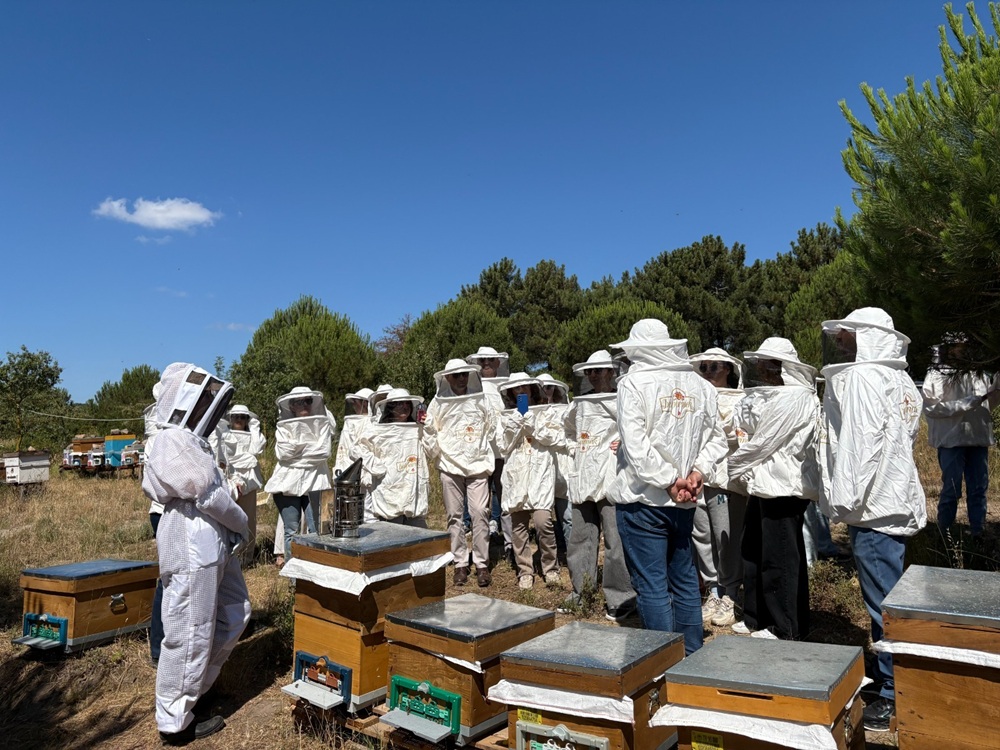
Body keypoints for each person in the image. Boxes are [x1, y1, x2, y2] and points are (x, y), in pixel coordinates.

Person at [819, 307, 926, 732]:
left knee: (883, 606)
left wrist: (842, 504)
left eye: (848, 335)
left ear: (868, 336)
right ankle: (900, 683)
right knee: (893, 600)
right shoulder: (900, 380)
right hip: (894, 500)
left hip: (874, 508)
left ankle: (891, 693)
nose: (842, 341)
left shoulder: (864, 377)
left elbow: (859, 447)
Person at [142, 363, 251, 744]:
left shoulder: (191, 440)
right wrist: (241, 522)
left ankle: (197, 689)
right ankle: (174, 721)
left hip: (210, 541)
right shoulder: (170, 439)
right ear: (186, 398)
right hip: (189, 540)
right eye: (204, 396)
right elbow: (207, 493)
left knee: (237, 611)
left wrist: (231, 528)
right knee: (189, 629)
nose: (210, 404)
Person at [608, 319, 728, 655]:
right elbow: (717, 439)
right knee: (685, 579)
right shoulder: (700, 385)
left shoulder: (634, 383)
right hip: (685, 500)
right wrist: (697, 473)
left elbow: (635, 446)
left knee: (653, 586)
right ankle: (691, 653)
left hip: (643, 500)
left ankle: (663, 661)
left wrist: (669, 481)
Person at [728, 338, 820, 641]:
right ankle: (757, 617)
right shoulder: (772, 396)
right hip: (763, 483)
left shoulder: (795, 397)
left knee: (780, 558)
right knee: (753, 549)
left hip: (785, 486)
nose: (763, 370)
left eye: (770, 364)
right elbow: (741, 422)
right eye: (762, 363)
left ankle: (786, 627)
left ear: (784, 367)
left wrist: (725, 469)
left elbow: (760, 442)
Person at [559, 350, 637, 620]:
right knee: (580, 539)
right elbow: (567, 428)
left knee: (615, 542)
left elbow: (638, 427)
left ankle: (621, 599)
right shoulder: (580, 402)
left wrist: (625, 444)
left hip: (612, 477)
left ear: (611, 372)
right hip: (583, 477)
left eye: (598, 371)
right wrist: (574, 448)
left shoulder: (624, 398)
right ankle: (582, 593)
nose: (593, 375)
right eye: (589, 371)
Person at [687, 348, 747, 628]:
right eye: (704, 367)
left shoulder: (739, 399)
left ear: (728, 370)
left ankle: (731, 593)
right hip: (696, 476)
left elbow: (736, 436)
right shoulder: (694, 398)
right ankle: (712, 590)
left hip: (724, 477)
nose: (708, 372)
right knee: (701, 534)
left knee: (726, 537)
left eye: (713, 367)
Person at [422, 359, 496, 587]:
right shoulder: (438, 402)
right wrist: (437, 451)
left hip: (478, 464)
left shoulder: (481, 398)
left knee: (480, 513)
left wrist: (481, 448)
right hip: (450, 465)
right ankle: (461, 563)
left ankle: (482, 564)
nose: (461, 378)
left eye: (464, 374)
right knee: (454, 516)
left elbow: (491, 427)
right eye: (456, 375)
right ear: (447, 378)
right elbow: (430, 431)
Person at [921, 334, 999, 539]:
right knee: (951, 490)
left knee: (979, 489)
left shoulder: (979, 373)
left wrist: (996, 389)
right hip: (951, 441)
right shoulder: (937, 374)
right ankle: (945, 533)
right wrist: (965, 403)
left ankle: (978, 533)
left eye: (964, 346)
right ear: (947, 348)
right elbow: (931, 408)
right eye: (956, 346)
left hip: (978, 439)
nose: (960, 351)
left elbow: (987, 405)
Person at [497, 372, 563, 589]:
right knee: (518, 527)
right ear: (510, 392)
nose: (521, 392)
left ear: (532, 388)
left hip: (539, 473)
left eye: (524, 387)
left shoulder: (547, 412)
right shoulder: (506, 416)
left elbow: (554, 439)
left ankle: (550, 568)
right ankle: (525, 571)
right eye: (516, 389)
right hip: (517, 476)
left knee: (544, 523)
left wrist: (532, 421)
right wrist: (517, 420)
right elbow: (502, 446)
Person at [264, 387, 333, 561]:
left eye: (308, 400)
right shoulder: (283, 427)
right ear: (291, 406)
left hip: (316, 482)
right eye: (299, 401)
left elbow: (324, 451)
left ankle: (313, 575)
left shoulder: (322, 424)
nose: (304, 404)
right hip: (287, 483)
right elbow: (283, 453)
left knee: (318, 531)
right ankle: (294, 579)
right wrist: (310, 449)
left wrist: (297, 450)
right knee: (291, 531)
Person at [351, 388, 430, 526]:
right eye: (399, 404)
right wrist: (377, 467)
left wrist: (429, 427)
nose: (404, 407)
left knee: (418, 539)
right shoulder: (377, 430)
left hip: (414, 492)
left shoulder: (417, 428)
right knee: (393, 538)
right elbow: (356, 449)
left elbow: (431, 448)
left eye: (407, 403)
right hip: (389, 492)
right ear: (390, 407)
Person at [466, 346, 512, 547]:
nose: (486, 363)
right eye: (482, 360)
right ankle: (482, 537)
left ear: (498, 363)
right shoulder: (471, 386)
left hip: (503, 450)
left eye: (489, 360)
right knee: (480, 497)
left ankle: (510, 541)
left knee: (505, 492)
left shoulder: (507, 384)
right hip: (479, 451)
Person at [221, 405, 267, 566]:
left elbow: (256, 449)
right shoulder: (224, 434)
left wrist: (255, 429)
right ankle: (229, 555)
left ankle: (247, 557)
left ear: (247, 419)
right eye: (236, 416)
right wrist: (247, 458)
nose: (239, 420)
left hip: (250, 482)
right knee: (228, 518)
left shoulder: (255, 436)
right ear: (230, 418)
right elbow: (228, 457)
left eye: (242, 417)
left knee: (249, 520)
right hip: (230, 482)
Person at [537, 373, 573, 561]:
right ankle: (548, 557)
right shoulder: (534, 411)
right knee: (542, 517)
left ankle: (571, 554)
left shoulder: (566, 410)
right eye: (542, 387)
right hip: (540, 466)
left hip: (563, 467)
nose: (546, 390)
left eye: (549, 387)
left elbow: (569, 436)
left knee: (567, 516)